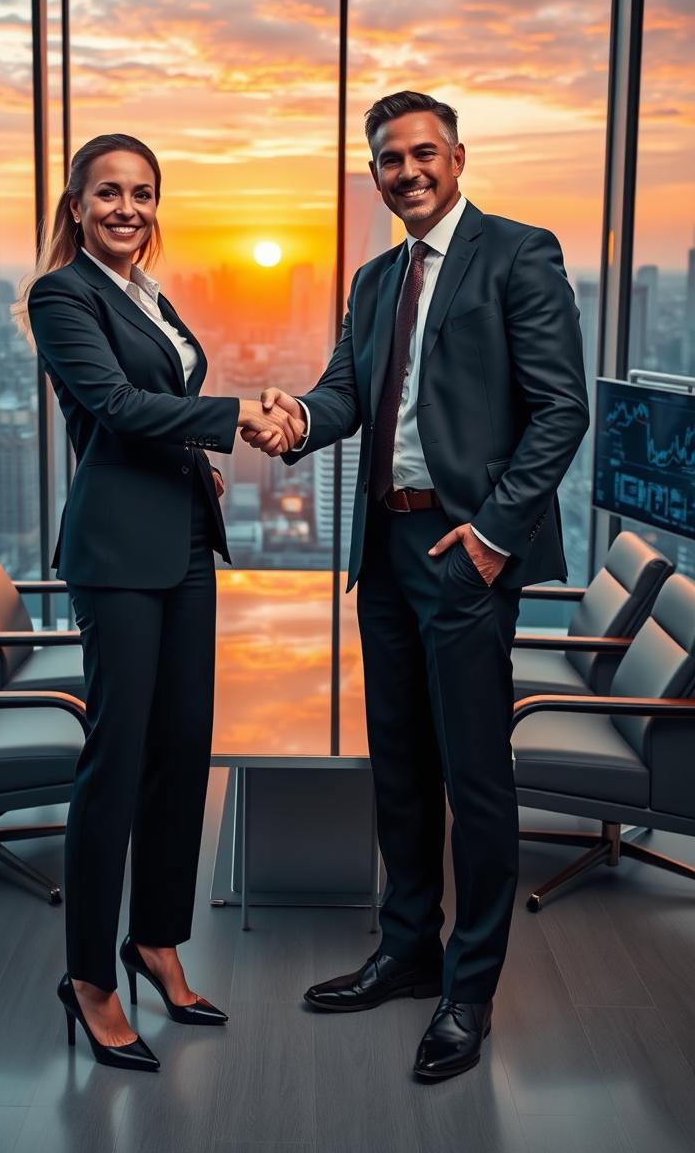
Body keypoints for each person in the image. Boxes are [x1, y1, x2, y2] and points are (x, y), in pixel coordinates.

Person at [242, 92, 589, 1081]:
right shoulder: (372, 277)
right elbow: (346, 392)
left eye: (422, 152)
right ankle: (407, 949)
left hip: (464, 545)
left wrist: (490, 534)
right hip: (386, 549)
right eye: (388, 159)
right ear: (376, 174)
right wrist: (295, 420)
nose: (406, 171)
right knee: (397, 762)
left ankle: (467, 987)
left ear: (457, 156)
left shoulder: (519, 253)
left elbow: (560, 410)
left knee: (475, 775)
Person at [16, 133, 303, 1071]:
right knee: (118, 757)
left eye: (142, 193)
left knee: (183, 750)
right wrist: (230, 423)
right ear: (76, 203)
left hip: (181, 540)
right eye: (108, 193)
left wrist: (196, 468)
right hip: (116, 553)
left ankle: (157, 941)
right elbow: (114, 405)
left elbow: (155, 409)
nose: (127, 208)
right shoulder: (64, 295)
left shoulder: (149, 294)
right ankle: (91, 977)